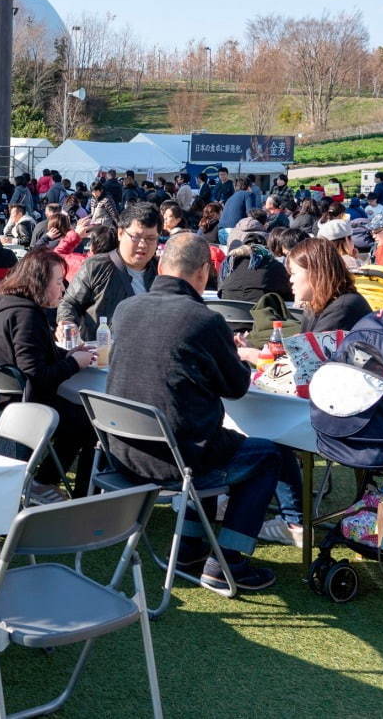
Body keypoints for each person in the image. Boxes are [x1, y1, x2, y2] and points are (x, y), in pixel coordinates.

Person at [105, 232, 299, 591]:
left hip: (122, 453)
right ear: (204, 274)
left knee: (204, 439)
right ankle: (229, 559)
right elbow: (237, 387)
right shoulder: (205, 321)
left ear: (161, 266)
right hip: (176, 456)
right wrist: (236, 353)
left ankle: (191, 547)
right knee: (268, 454)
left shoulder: (126, 309)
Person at [0, 249, 97, 496]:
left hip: (3, 402)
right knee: (86, 421)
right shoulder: (26, 315)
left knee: (78, 418)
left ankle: (44, 481)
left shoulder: (11, 308)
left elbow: (33, 355)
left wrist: (67, 354)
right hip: (25, 405)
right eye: (58, 281)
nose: (63, 288)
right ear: (39, 282)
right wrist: (75, 363)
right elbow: (36, 374)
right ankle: (60, 489)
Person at [57, 202, 160, 341]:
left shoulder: (162, 271)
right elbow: (70, 303)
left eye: (150, 239)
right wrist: (66, 322)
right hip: (103, 353)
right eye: (136, 237)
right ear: (120, 233)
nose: (143, 244)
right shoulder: (96, 266)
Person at [287, 237, 373, 333]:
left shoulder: (341, 308)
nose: (291, 280)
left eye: (294, 273)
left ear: (316, 272)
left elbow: (315, 347)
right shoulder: (319, 303)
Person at [217, 242, 293, 303]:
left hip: (229, 319)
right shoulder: (273, 266)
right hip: (264, 319)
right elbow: (288, 297)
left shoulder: (226, 267)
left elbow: (220, 294)